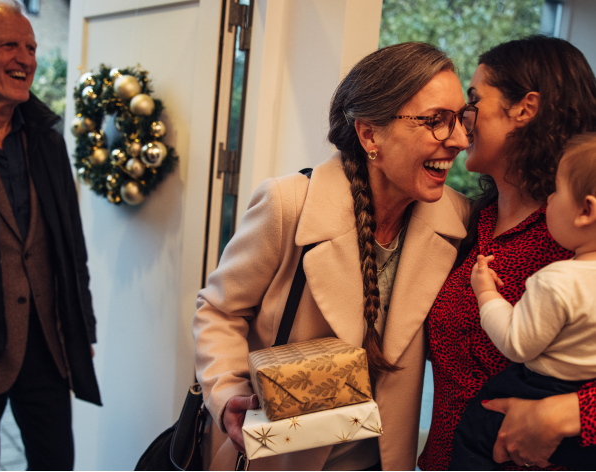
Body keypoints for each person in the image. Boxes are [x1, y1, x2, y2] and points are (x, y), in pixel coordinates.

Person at [194, 42, 474, 471]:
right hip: (278, 454)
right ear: (369, 134)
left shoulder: (457, 219)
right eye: (436, 121)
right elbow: (219, 310)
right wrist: (227, 391)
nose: (458, 140)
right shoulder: (288, 204)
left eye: (460, 120)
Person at [419, 36, 596, 471]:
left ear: (525, 108)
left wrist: (570, 412)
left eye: (475, 102)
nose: (464, 121)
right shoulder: (466, 222)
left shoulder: (579, 238)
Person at [0, 2, 101, 470]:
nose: (26, 58)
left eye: (30, 46)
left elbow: (71, 244)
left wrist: (83, 323)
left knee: (55, 461)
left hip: (45, 343)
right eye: (9, 44)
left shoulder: (47, 137)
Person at [450, 133, 596, 471]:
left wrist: (486, 293)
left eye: (556, 191)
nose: (550, 201)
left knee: (475, 429)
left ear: (586, 210)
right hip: (583, 422)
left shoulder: (557, 279)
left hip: (541, 389)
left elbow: (517, 343)